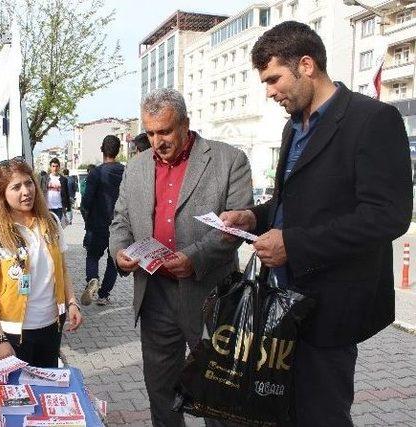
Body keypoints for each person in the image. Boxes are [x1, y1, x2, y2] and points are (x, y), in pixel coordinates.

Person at [220, 21, 412, 426]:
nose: (269, 91)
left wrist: (295, 245)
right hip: (280, 303)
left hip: (329, 310)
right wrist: (252, 216)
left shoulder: (372, 119)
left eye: (274, 78)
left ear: (306, 65)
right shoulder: (293, 126)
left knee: (321, 415)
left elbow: (387, 215)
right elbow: (293, 204)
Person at [109, 88, 252, 427]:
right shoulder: (136, 168)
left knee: (219, 392)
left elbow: (235, 227)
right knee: (161, 389)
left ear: (186, 123)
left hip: (211, 295)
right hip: (156, 295)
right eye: (151, 132)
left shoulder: (229, 160)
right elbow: (121, 220)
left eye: (165, 131)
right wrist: (120, 251)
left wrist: (195, 257)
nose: (157, 140)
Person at [0, 157, 83, 367]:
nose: (26, 191)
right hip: (11, 336)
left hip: (51, 328)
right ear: (2, 195)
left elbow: (63, 270)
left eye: (29, 183)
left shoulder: (50, 222)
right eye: (16, 187)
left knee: (46, 391)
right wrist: (0, 340)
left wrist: (72, 302)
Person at [80, 135, 125, 306]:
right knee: (113, 261)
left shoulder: (96, 173)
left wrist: (87, 220)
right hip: (119, 225)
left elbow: (86, 201)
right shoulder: (125, 172)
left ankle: (93, 279)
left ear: (102, 149)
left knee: (92, 256)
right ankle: (104, 295)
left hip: (97, 224)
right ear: (118, 150)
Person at [40, 158, 70, 222]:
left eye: (56, 166)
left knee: (57, 228)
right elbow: (40, 192)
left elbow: (66, 194)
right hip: (47, 207)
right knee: (48, 228)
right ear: (50, 167)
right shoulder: (45, 179)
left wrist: (68, 208)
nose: (55, 168)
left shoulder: (63, 179)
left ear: (59, 167)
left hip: (59, 207)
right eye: (53, 166)